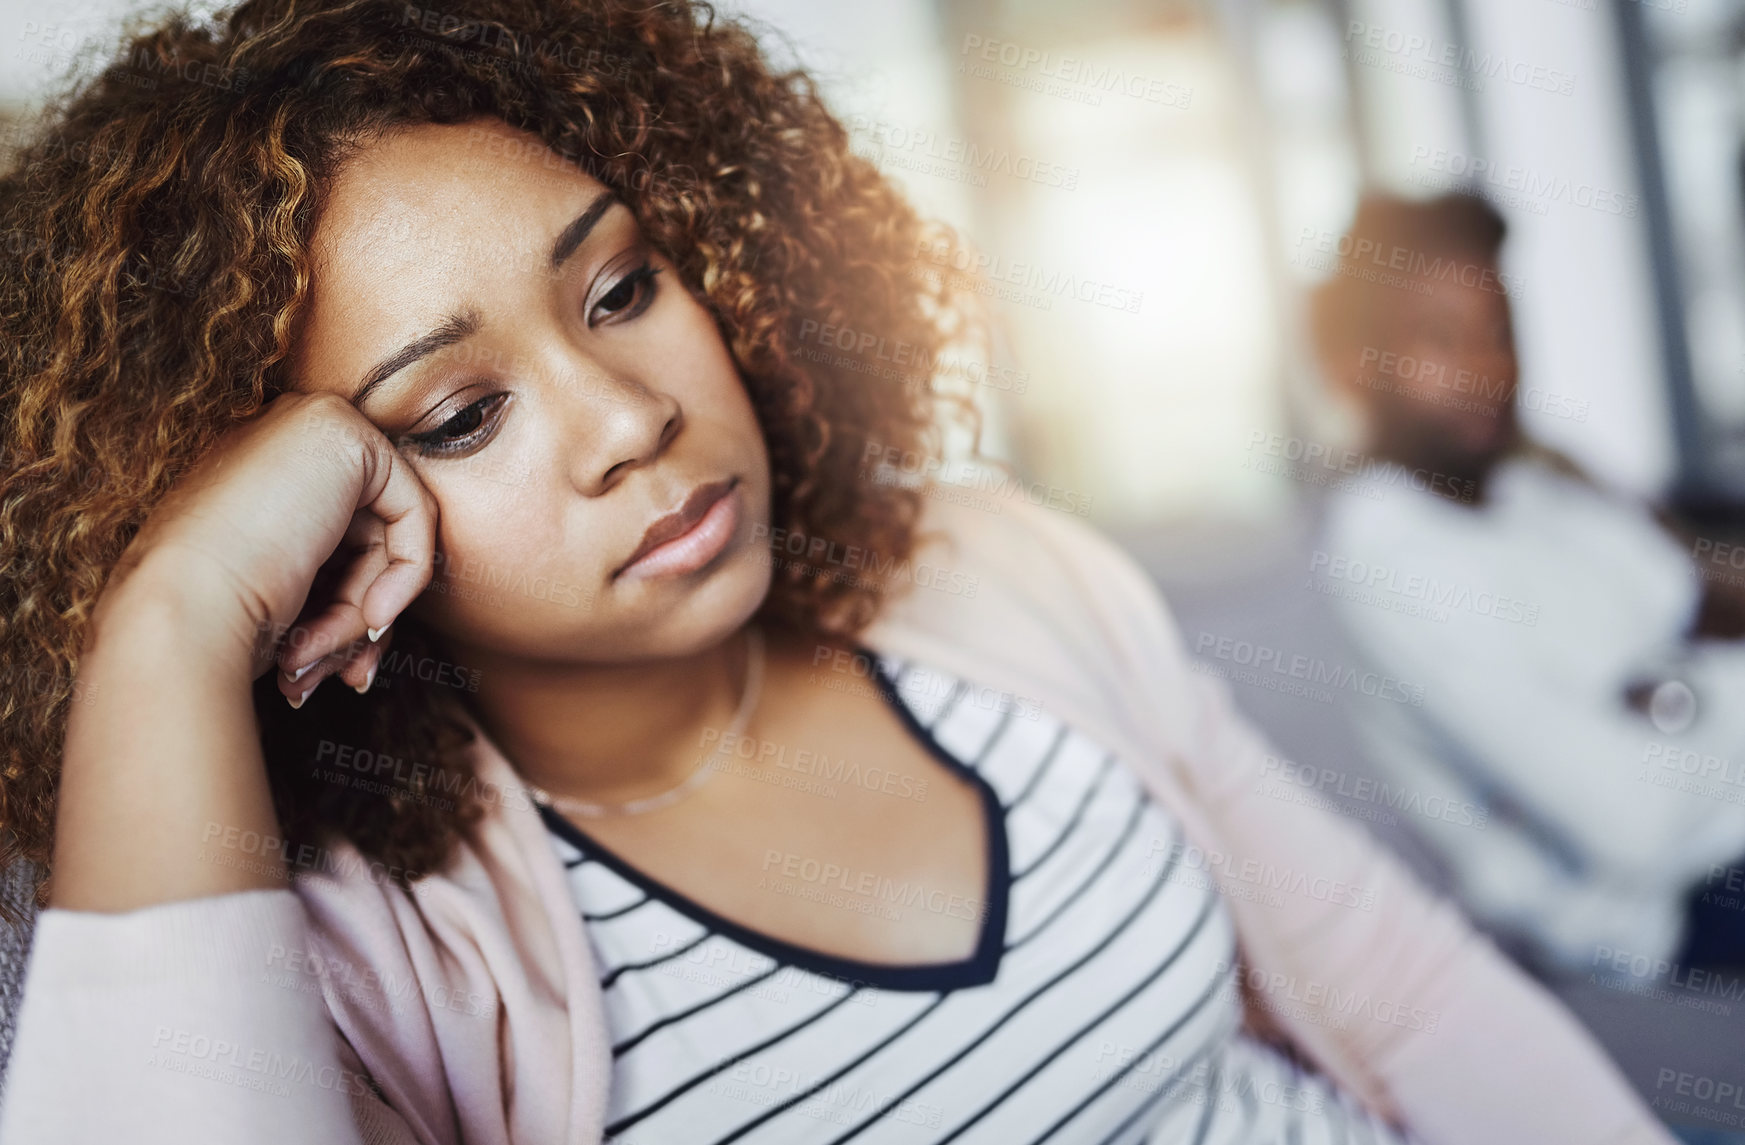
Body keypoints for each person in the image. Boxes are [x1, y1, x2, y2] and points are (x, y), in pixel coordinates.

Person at [0, 4, 1673, 1142]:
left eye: (621, 288)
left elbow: (1406, 991)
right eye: (459, 413)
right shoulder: (377, 950)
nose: (633, 416)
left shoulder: (993, 570)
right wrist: (163, 629)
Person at [1308, 191, 1745, 975]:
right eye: (1438, 340)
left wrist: (1665, 698)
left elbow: (1698, 598)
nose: (1484, 370)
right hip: (1675, 910)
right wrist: (1680, 682)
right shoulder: (1384, 547)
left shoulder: (1527, 482)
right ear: (1355, 366)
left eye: (1497, 332)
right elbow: (1630, 825)